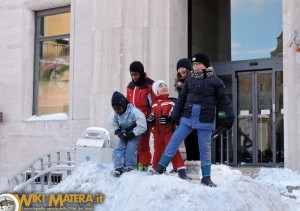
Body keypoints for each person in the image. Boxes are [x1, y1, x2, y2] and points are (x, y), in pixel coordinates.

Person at [155, 53, 235, 187]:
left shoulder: (215, 81)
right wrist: (175, 115)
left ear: (205, 65)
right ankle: (160, 167)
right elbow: (181, 100)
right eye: (194, 64)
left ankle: (206, 177)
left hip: (205, 118)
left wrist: (230, 115)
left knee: (205, 148)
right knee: (174, 141)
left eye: (198, 64)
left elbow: (224, 100)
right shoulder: (190, 81)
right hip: (188, 117)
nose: (195, 66)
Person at [147, 80, 187, 179]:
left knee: (172, 149)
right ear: (156, 91)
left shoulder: (171, 103)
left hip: (168, 132)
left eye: (165, 85)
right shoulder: (154, 105)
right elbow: (152, 118)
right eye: (161, 86)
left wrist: (168, 119)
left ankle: (180, 169)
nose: (164, 87)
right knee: (157, 151)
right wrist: (150, 120)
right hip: (157, 133)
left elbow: (175, 116)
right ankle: (156, 168)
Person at [126, 61, 157, 171]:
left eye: (136, 74)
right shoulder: (130, 86)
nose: (134, 77)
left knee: (143, 145)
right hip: (132, 121)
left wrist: (151, 117)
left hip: (145, 120)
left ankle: (144, 166)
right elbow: (127, 104)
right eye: (132, 75)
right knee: (132, 145)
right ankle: (135, 166)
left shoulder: (149, 85)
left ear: (141, 73)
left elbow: (155, 103)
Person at [108, 91, 147, 177]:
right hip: (123, 132)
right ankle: (118, 166)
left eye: (119, 109)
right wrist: (118, 131)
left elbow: (143, 125)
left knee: (131, 146)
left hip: (134, 132)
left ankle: (129, 166)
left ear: (124, 105)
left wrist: (133, 133)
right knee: (118, 148)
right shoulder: (115, 114)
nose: (117, 111)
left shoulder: (134, 112)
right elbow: (112, 123)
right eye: (115, 109)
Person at [175, 58, 200, 161]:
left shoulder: (195, 80)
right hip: (185, 116)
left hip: (195, 115)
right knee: (188, 141)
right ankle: (190, 164)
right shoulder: (179, 84)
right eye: (179, 68)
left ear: (189, 69)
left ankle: (197, 164)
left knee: (196, 141)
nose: (181, 70)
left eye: (183, 67)